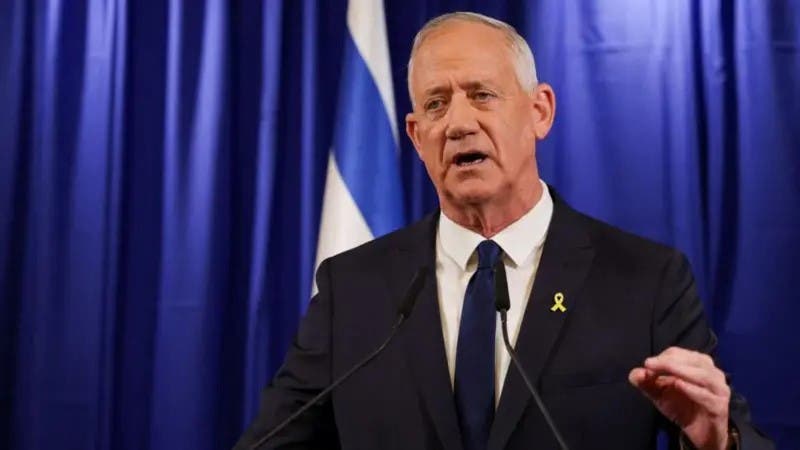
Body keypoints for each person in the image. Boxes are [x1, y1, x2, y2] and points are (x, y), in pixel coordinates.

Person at [235, 12, 773, 450]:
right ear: (416, 136)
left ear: (540, 111)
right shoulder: (353, 289)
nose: (458, 123)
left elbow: (734, 435)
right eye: (436, 104)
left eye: (482, 95)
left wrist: (713, 442)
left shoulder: (645, 281)